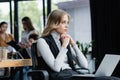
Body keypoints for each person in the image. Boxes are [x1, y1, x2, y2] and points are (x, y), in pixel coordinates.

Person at [37, 9, 120, 80]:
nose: (67, 26)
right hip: (59, 76)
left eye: (67, 22)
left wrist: (73, 45)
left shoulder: (64, 40)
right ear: (54, 23)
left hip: (72, 74)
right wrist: (64, 46)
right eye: (63, 22)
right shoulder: (42, 41)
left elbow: (84, 65)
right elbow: (56, 68)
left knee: (113, 79)